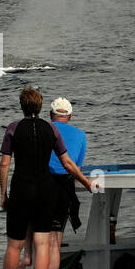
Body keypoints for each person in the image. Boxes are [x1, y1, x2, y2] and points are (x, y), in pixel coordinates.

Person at [0, 87, 94, 269]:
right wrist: (86, 183)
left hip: (22, 187)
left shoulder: (13, 128)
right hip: (46, 190)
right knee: (43, 243)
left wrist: (3, 194)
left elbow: (4, 164)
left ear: (22, 106)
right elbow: (68, 163)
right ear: (40, 108)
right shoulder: (51, 130)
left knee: (14, 245)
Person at [47, 96, 87, 257]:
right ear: (70, 116)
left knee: (41, 239)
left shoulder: (44, 130)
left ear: (50, 114)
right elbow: (76, 169)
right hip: (64, 188)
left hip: (43, 186)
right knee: (55, 242)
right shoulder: (80, 135)